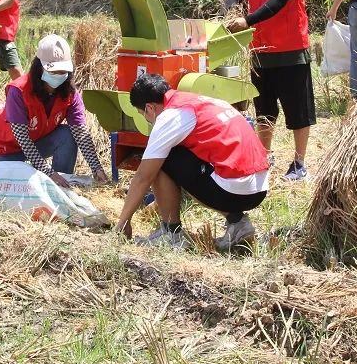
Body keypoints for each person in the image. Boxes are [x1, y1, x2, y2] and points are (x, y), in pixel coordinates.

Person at [114, 73, 270, 252]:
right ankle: (237, 222)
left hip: (234, 189)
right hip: (259, 186)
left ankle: (171, 234)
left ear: (150, 108)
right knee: (179, 158)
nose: (147, 120)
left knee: (161, 158)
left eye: (143, 114)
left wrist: (123, 223)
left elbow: (143, 177)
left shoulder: (170, 115)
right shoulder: (197, 100)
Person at [224, 0, 315, 181]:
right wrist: (226, 11)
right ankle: (264, 155)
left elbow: (278, 2)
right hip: (260, 52)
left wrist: (247, 20)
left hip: (290, 51)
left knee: (298, 111)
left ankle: (299, 163)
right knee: (264, 110)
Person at [0, 34, 110, 187]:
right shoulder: (19, 90)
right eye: (53, 72)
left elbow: (80, 133)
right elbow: (22, 139)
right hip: (4, 149)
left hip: (37, 143)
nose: (58, 76)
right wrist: (48, 172)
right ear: (39, 68)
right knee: (14, 187)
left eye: (63, 71)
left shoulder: (69, 93)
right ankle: (51, 179)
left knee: (67, 134)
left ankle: (62, 185)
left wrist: (96, 168)